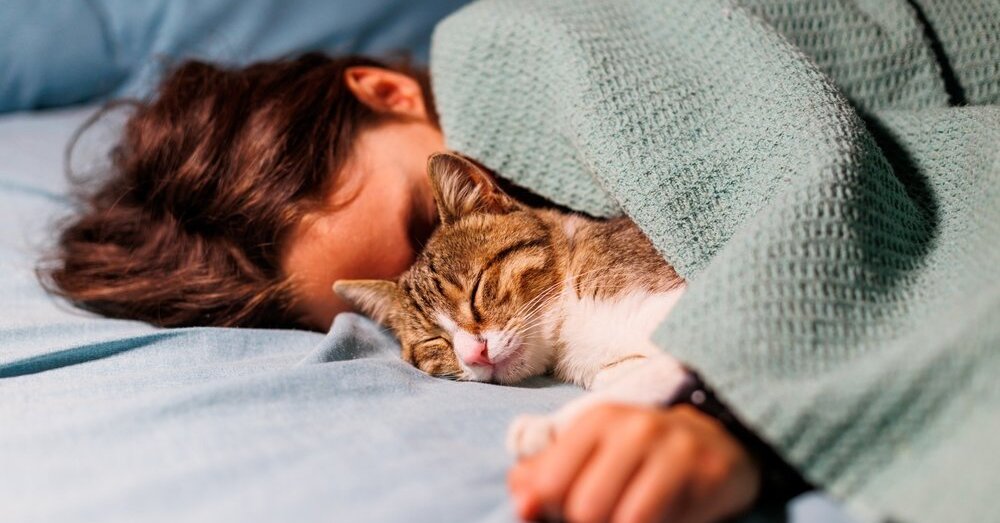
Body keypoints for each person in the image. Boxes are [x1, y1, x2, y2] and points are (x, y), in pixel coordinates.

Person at [41, 54, 803, 523]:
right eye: (399, 302)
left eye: (423, 220)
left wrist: (724, 414)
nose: (424, 274)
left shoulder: (547, 56)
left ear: (389, 91)